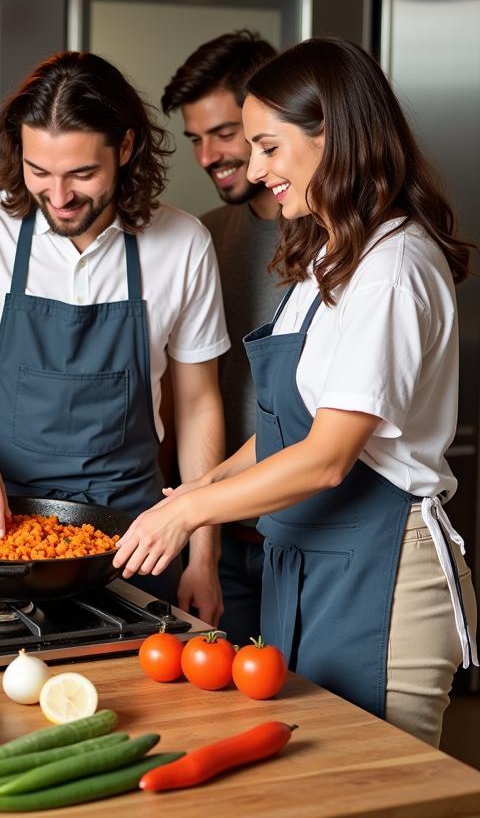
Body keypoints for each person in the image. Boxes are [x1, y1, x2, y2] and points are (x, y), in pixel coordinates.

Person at [114, 37, 478, 745]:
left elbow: (327, 457)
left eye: (268, 147)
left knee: (370, 788)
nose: (254, 169)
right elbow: (291, 425)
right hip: (313, 565)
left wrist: (190, 519)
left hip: (382, 575)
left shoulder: (393, 268)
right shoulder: (331, 256)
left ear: (333, 136)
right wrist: (197, 492)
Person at [0, 51, 229, 613]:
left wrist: (203, 559)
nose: (59, 196)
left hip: (138, 542)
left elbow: (199, 407)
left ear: (124, 148)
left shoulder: (183, 242)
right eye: (39, 171)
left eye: (82, 174)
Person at [161, 30, 278, 646]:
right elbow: (191, 395)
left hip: (304, 535)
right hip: (218, 532)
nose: (208, 155)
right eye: (196, 139)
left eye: (225, 133)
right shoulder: (203, 237)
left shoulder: (334, 246)